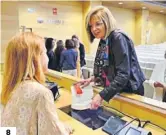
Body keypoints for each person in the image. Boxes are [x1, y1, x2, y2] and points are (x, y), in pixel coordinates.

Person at [1, 32, 73, 135]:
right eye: (44, 52)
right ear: (34, 58)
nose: (47, 57)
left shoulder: (12, 88)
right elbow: (55, 133)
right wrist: (65, 128)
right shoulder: (41, 93)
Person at [77, 6, 145, 109]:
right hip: (119, 90)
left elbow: (123, 74)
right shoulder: (104, 39)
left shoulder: (118, 38)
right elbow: (108, 68)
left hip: (130, 91)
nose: (93, 29)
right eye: (91, 26)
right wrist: (92, 79)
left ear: (107, 22)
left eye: (98, 24)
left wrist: (101, 96)